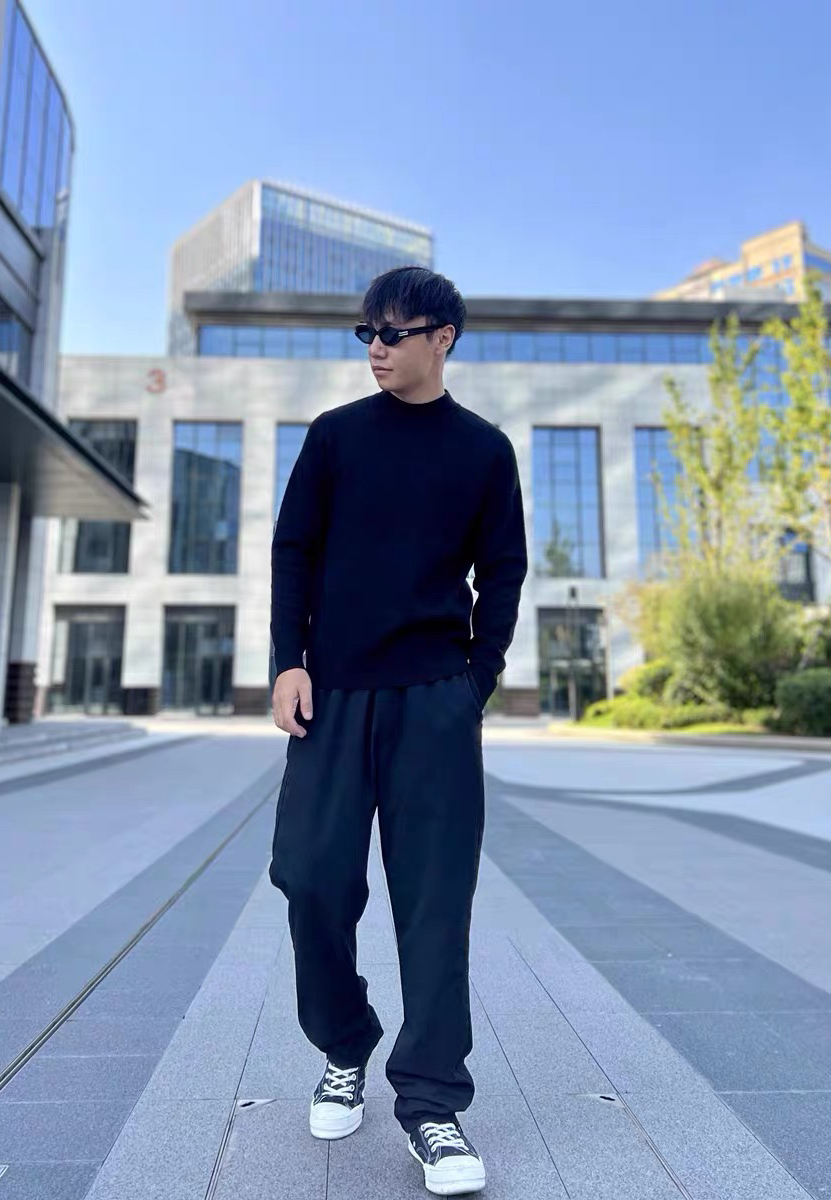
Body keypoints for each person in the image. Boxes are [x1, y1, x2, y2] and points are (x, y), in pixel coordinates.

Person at [268, 265, 527, 1196]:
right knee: (310, 878)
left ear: (442, 338)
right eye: (366, 332)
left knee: (434, 904)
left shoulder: (484, 450)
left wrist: (476, 682)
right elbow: (293, 549)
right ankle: (346, 1042)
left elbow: (504, 571)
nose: (375, 347)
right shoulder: (335, 436)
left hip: (434, 703)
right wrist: (287, 660)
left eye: (393, 331)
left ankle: (431, 1103)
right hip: (333, 694)